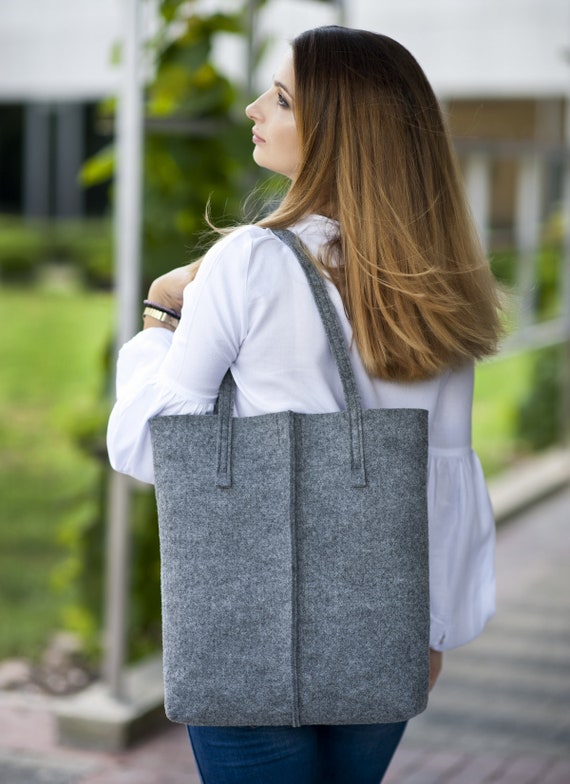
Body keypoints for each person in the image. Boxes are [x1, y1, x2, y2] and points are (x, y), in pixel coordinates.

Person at [107, 25, 503, 784]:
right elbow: (448, 470)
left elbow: (153, 446)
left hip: (245, 629)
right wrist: (434, 633)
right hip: (390, 631)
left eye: (281, 98)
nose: (256, 107)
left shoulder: (249, 260)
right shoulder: (440, 276)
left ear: (338, 132)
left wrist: (159, 315)